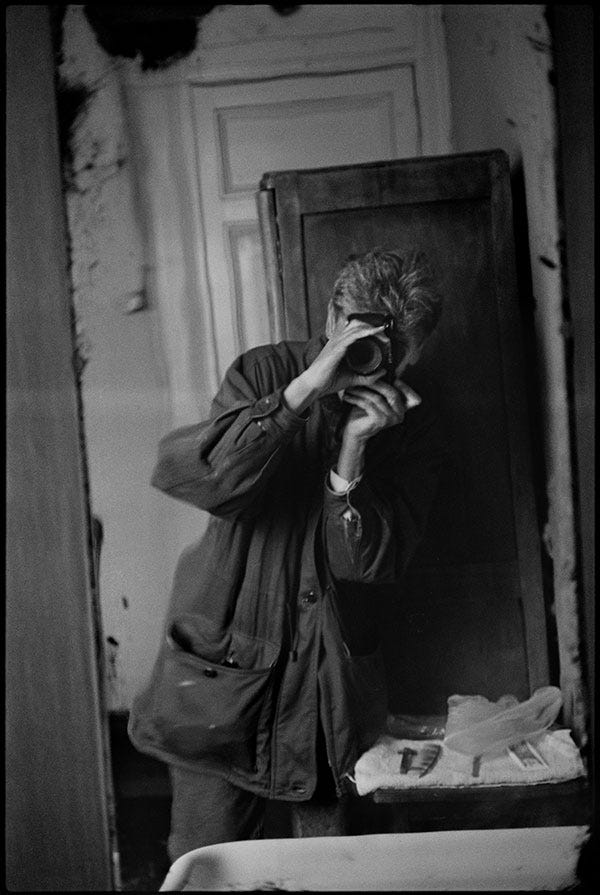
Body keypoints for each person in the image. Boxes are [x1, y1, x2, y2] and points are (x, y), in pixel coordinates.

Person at [129, 248, 446, 861]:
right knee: (207, 864)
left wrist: (353, 453)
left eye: (391, 348)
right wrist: (301, 394)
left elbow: (366, 563)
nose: (371, 359)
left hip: (325, 690)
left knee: (331, 871)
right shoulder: (266, 370)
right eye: (359, 336)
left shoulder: (413, 424)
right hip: (222, 674)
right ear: (331, 319)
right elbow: (210, 484)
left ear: (415, 353)